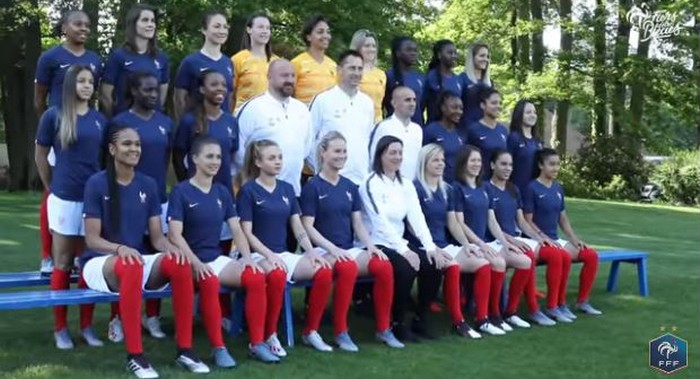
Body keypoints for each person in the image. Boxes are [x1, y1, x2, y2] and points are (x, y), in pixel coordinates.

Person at [81, 125, 208, 378]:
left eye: (137, 144)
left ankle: (185, 348)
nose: (134, 148)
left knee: (179, 263)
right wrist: (119, 248)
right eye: (127, 144)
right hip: (100, 261)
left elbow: (157, 238)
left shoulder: (148, 184)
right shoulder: (96, 183)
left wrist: (173, 250)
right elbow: (92, 239)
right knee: (131, 264)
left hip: (136, 259)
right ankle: (135, 356)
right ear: (112, 149)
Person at [167, 136, 279, 364]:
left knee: (255, 275)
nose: (215, 161)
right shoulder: (181, 191)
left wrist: (247, 258)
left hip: (215, 259)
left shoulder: (221, 192)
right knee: (208, 281)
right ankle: (218, 348)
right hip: (189, 262)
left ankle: (257, 343)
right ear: (194, 159)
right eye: (209, 156)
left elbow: (237, 229)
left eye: (218, 157)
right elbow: (174, 235)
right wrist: (196, 263)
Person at [300, 131, 404, 350]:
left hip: (348, 249)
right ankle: (339, 331)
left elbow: (357, 223)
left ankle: (384, 329)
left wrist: (370, 245)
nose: (342, 156)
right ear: (323, 152)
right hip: (322, 250)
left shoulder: (349, 186)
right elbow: (307, 227)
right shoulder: (313, 186)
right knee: (347, 268)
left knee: (384, 265)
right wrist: (332, 248)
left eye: (344, 151)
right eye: (337, 151)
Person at [237, 140, 335, 357]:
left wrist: (310, 251)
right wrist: (268, 254)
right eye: (271, 158)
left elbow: (297, 225)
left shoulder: (287, 189)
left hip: (282, 253)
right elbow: (246, 233)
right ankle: (270, 334)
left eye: (279, 157)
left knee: (324, 270)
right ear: (258, 162)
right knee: (277, 273)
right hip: (256, 253)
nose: (278, 162)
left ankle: (311, 331)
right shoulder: (248, 191)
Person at [35, 64, 106, 350]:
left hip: (92, 201)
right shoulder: (53, 116)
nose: (87, 86)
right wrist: (51, 186)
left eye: (90, 81)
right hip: (64, 198)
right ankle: (60, 328)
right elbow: (40, 155)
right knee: (63, 263)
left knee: (88, 262)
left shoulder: (101, 120)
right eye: (81, 81)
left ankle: (86, 326)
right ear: (69, 85)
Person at [34, 10, 102, 274]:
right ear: (65, 27)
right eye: (77, 24)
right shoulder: (50, 57)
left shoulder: (95, 59)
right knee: (53, 193)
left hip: (83, 131)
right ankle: (47, 255)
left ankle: (77, 256)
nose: (83, 28)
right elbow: (39, 97)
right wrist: (51, 127)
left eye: (87, 25)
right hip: (59, 132)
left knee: (84, 195)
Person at [360, 135, 443, 342]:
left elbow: (416, 217)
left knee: (433, 264)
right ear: (380, 155)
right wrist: (404, 251)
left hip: (399, 242)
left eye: (400, 153)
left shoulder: (405, 184)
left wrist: (430, 246)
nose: (397, 157)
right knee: (405, 268)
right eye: (392, 153)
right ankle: (397, 322)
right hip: (376, 242)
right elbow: (379, 221)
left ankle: (420, 319)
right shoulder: (370, 183)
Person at [111, 71, 174, 340]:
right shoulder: (120, 122)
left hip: (158, 198)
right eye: (147, 90)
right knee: (126, 257)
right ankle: (118, 318)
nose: (153, 94)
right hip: (125, 197)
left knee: (156, 257)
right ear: (134, 91)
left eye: (155, 90)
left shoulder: (166, 122)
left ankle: (152, 316)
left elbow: (169, 159)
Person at [411, 144, 493, 339]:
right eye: (435, 160)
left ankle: (483, 319)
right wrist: (432, 248)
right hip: (422, 245)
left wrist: (466, 245)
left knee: (483, 263)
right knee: (453, 267)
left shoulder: (446, 189)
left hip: (445, 244)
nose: (440, 164)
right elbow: (412, 226)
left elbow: (453, 223)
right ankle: (458, 321)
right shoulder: (414, 188)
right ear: (424, 162)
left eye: (442, 160)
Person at [452, 145, 533, 335]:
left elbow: (492, 220)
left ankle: (509, 312)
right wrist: (479, 244)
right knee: (497, 262)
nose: (476, 164)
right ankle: (486, 317)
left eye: (478, 161)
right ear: (463, 162)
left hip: (489, 242)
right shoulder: (457, 188)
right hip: (468, 243)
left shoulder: (483, 188)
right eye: (472, 160)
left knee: (525, 261)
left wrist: (506, 244)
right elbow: (460, 223)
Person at [523, 148, 603, 320]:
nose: (555, 168)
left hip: (556, 240)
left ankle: (582, 301)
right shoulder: (532, 188)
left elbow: (563, 219)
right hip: (537, 240)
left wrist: (575, 240)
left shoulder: (558, 188)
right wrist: (542, 237)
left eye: (558, 164)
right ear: (540, 165)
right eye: (551, 164)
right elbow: (527, 220)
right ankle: (554, 305)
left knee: (590, 255)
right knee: (559, 256)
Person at [486, 149, 562, 327]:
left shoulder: (513, 189)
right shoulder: (486, 189)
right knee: (527, 257)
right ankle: (517, 309)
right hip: (494, 239)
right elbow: (490, 224)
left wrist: (538, 237)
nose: (507, 168)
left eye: (510, 165)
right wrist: (512, 240)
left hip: (515, 237)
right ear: (492, 165)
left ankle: (512, 310)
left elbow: (521, 221)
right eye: (503, 164)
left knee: (552, 252)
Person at [236, 59, 313, 197]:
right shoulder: (253, 108)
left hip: (294, 192)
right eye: (284, 75)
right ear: (269, 77)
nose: (290, 80)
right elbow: (238, 151)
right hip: (260, 193)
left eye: (292, 75)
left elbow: (306, 149)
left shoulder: (302, 110)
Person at [310, 50, 374, 185]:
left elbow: (368, 141)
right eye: (352, 68)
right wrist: (320, 171)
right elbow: (309, 140)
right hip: (330, 181)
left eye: (360, 69)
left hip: (361, 180)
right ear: (339, 69)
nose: (356, 73)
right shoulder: (323, 100)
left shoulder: (367, 103)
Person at [100, 4, 169, 117]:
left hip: (152, 125)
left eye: (152, 21)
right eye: (145, 20)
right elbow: (105, 96)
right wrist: (115, 121)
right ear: (133, 24)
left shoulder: (162, 58)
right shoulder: (118, 56)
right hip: (124, 124)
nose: (150, 24)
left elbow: (161, 96)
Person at [174, 11, 234, 119]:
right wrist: (187, 125)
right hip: (198, 127)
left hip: (222, 128)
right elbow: (179, 99)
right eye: (217, 26)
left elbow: (230, 98)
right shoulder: (190, 62)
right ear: (204, 30)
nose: (222, 31)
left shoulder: (228, 63)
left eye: (225, 27)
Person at [369, 86, 422, 181]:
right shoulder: (384, 127)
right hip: (388, 184)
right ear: (394, 103)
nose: (412, 104)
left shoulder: (417, 130)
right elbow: (373, 158)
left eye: (414, 100)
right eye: (407, 100)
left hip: (411, 187)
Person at [231, 13, 278, 113]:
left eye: (268, 28)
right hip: (244, 115)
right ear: (249, 30)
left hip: (272, 117)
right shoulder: (238, 59)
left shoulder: (277, 62)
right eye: (260, 27)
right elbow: (230, 93)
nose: (265, 31)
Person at [291, 14, 336, 105]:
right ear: (308, 37)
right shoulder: (296, 63)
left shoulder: (334, 65)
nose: (325, 36)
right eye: (320, 32)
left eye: (328, 32)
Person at [422, 91, 466, 183]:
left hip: (457, 185)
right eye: (454, 107)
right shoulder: (431, 130)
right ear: (443, 108)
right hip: (438, 184)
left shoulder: (461, 132)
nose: (458, 111)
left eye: (461, 108)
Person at [466, 87, 507, 179]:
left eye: (499, 103)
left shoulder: (503, 130)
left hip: (499, 184)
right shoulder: (473, 130)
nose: (498, 106)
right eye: (493, 103)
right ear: (483, 105)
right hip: (480, 182)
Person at [384, 36, 424, 125]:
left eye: (415, 50)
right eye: (409, 50)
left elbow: (422, 105)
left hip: (416, 128)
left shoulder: (420, 77)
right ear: (398, 53)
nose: (413, 53)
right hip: (394, 127)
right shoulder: (389, 76)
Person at [350, 29, 386, 122]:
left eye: (374, 46)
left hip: (377, 123)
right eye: (367, 46)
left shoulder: (381, 74)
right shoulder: (349, 71)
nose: (371, 49)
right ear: (357, 48)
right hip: (356, 120)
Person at [508, 99, 543, 194]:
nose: (532, 115)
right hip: (517, 191)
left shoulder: (538, 142)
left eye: (534, 112)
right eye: (528, 112)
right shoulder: (513, 138)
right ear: (519, 115)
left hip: (535, 193)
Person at [423, 40, 462, 123]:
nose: (454, 56)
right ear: (439, 55)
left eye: (455, 53)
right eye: (450, 53)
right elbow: (421, 106)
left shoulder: (458, 79)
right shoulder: (431, 77)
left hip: (454, 129)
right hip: (435, 127)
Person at [460, 42, 493, 126]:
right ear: (472, 58)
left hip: (485, 129)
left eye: (487, 56)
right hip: (466, 128)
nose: (485, 59)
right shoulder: (462, 79)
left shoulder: (490, 83)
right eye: (482, 56)